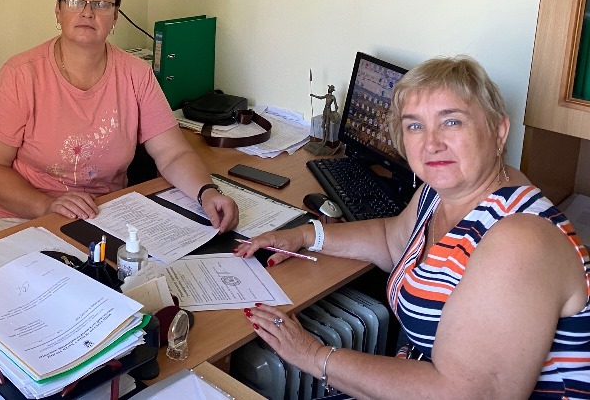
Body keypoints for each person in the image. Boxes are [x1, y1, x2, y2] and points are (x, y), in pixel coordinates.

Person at [236, 56, 590, 398]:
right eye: (415, 126)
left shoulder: (520, 240)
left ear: (499, 132)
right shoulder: (440, 193)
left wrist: (313, 355)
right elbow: (392, 240)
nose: (431, 143)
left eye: (452, 122)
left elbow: (465, 394)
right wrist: (306, 234)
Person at [0, 0, 239, 244]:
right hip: (4, 215)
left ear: (114, 16)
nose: (87, 11)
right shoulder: (20, 74)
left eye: (101, 3)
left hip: (96, 215)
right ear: (58, 10)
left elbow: (172, 153)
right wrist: (45, 206)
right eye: (75, 0)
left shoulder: (137, 74)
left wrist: (207, 192)